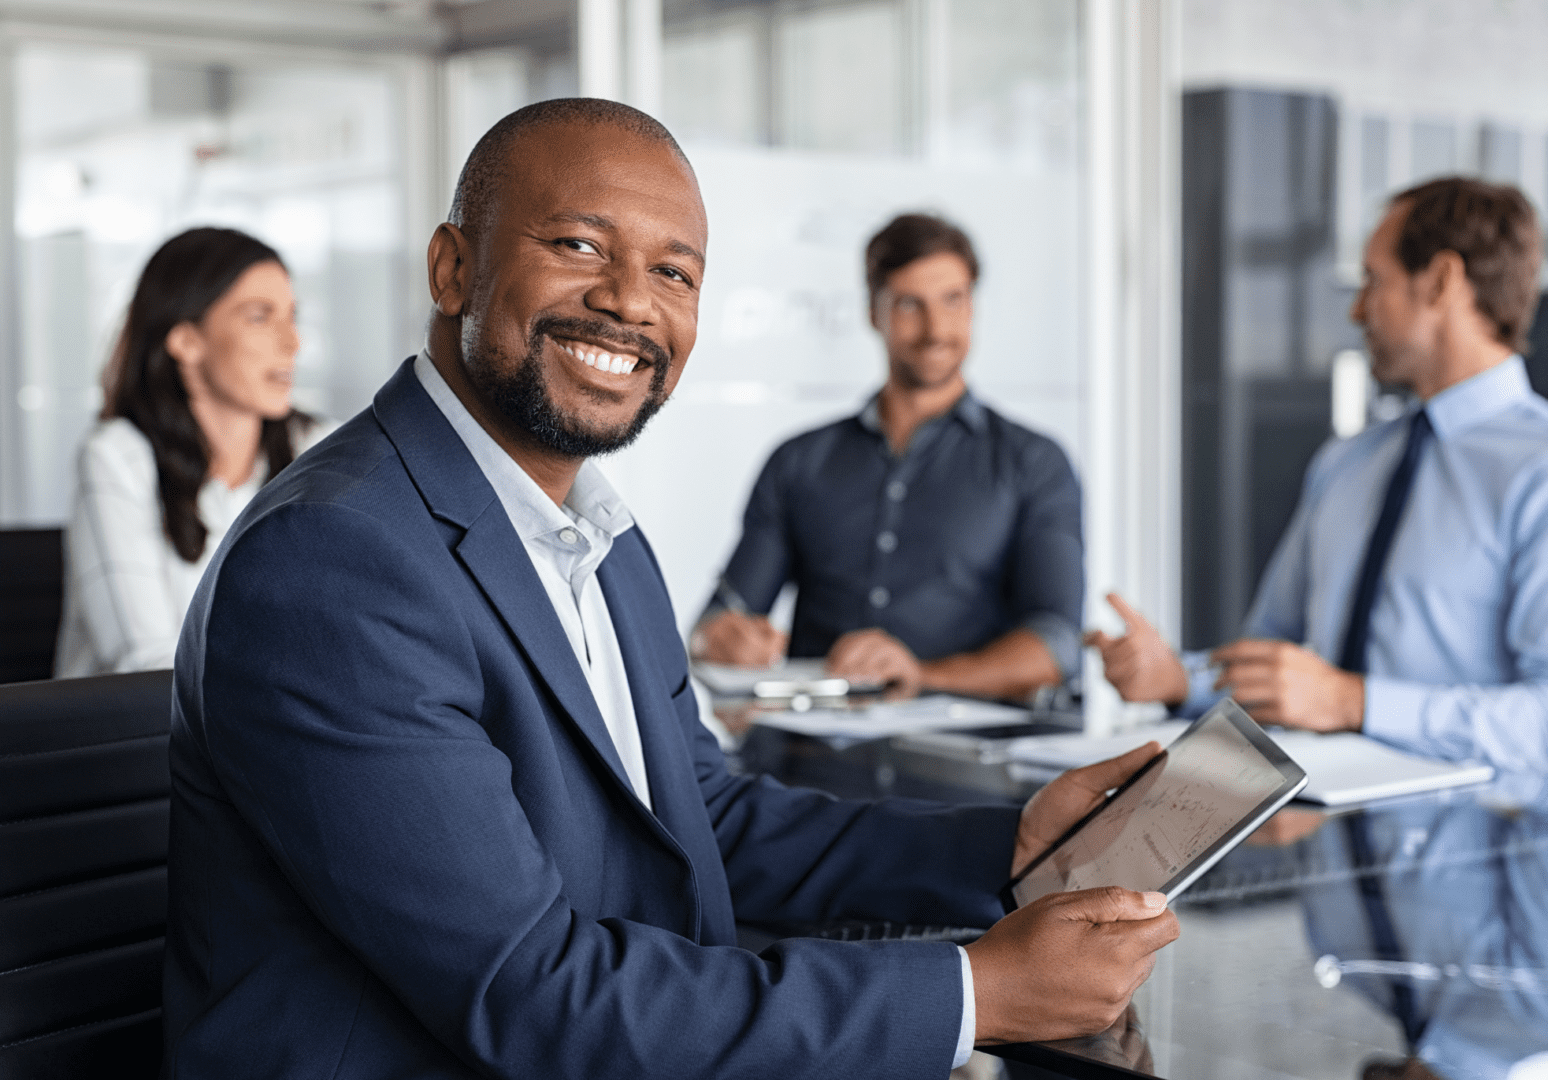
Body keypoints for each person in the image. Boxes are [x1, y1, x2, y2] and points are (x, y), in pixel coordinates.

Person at [163, 99, 1178, 1078]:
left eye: (674, 273)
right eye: (578, 246)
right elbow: (530, 996)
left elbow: (703, 820)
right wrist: (975, 994)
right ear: (453, 266)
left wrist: (1012, 843)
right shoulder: (337, 559)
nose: (631, 302)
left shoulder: (595, 535)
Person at [1087, 176, 1548, 774]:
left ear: (1440, 281)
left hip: (1484, 850)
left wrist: (1351, 702)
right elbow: (1279, 660)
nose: (1357, 310)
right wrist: (1178, 679)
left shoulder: (1536, 469)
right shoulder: (1348, 463)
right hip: (1325, 832)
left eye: (1372, 281)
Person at [692, 214, 1082, 700]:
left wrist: (923, 675)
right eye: (909, 304)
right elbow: (721, 615)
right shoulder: (797, 462)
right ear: (873, 312)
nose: (935, 328)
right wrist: (719, 638)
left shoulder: (1034, 463)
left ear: (973, 307)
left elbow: (1057, 644)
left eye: (953, 300)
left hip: (967, 757)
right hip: (810, 754)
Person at [55, 226, 333, 677]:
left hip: (271, 733)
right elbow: (146, 667)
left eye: (293, 316)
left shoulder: (322, 448)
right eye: (260, 317)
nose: (293, 343)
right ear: (186, 341)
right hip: (136, 741)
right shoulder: (117, 459)